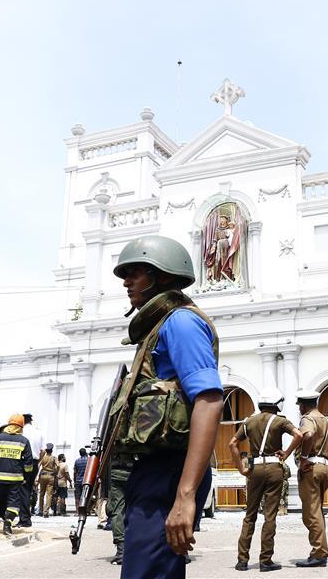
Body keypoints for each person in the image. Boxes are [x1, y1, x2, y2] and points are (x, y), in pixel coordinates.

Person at [110, 235, 224, 578]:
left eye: (137, 272)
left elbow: (209, 400)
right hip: (154, 469)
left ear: (163, 276)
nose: (127, 281)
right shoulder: (159, 326)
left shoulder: (181, 322)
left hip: (171, 471)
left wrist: (185, 495)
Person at [230, 387, 303, 571]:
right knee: (269, 516)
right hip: (273, 468)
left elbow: (232, 443)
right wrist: (286, 453)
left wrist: (241, 468)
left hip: (254, 469)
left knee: (250, 515)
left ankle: (242, 560)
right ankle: (265, 560)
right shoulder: (280, 421)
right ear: (277, 404)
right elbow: (299, 435)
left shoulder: (249, 422)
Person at [293, 389, 328, 569]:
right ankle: (320, 550)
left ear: (303, 405)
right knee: (318, 511)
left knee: (311, 513)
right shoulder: (326, 420)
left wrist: (302, 459)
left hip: (311, 467)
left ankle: (319, 553)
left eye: (299, 406)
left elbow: (307, 435)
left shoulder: (307, 419)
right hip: (324, 467)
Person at [0, 413, 34, 535]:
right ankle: (7, 526)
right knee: (13, 502)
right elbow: (28, 463)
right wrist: (26, 476)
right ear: (21, 426)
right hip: (15, 478)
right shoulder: (24, 441)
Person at [106, 453, 134, 565]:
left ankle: (121, 551)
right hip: (137, 470)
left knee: (117, 510)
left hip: (117, 472)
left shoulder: (110, 434)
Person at [20, 413, 44, 527]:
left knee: (22, 491)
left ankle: (24, 519)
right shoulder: (38, 432)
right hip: (34, 462)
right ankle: (26, 517)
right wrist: (38, 461)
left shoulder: (21, 432)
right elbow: (42, 451)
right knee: (28, 490)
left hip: (23, 461)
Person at [37, 442, 58, 518]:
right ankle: (46, 512)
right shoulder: (54, 458)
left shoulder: (43, 457)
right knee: (49, 495)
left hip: (42, 475)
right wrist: (55, 472)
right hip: (50, 476)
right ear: (51, 450)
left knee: (41, 493)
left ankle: (40, 511)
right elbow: (57, 466)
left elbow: (38, 466)